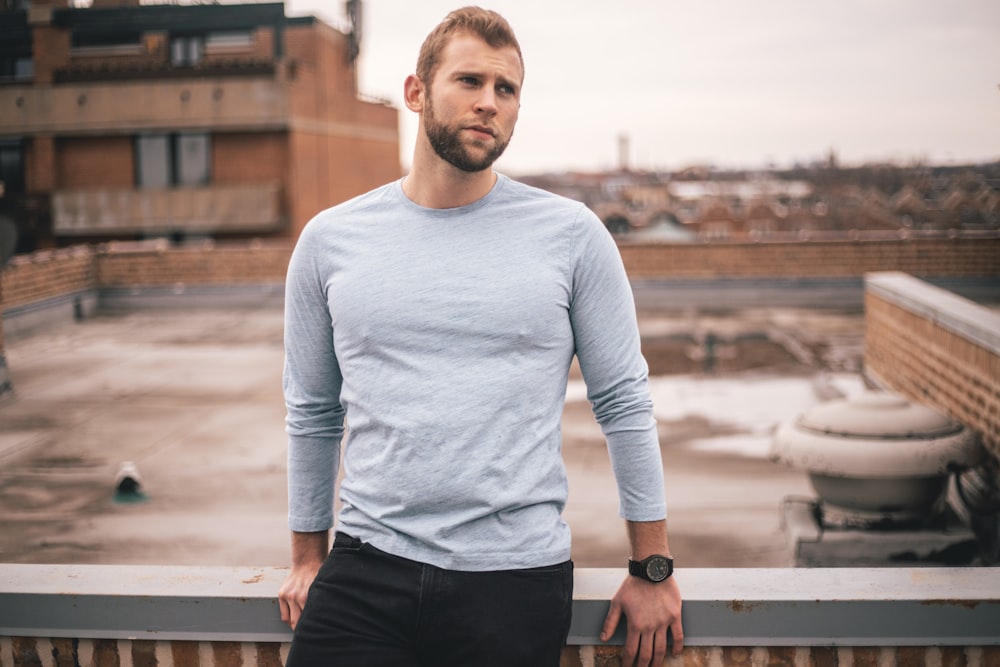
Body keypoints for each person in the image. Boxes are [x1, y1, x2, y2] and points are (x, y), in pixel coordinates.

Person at [278, 6, 683, 666]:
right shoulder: (329, 241)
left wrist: (653, 568)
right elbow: (313, 410)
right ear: (416, 91)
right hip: (365, 569)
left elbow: (625, 403)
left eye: (507, 89)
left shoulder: (572, 237)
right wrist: (305, 555)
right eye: (469, 81)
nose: (489, 103)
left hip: (513, 580)